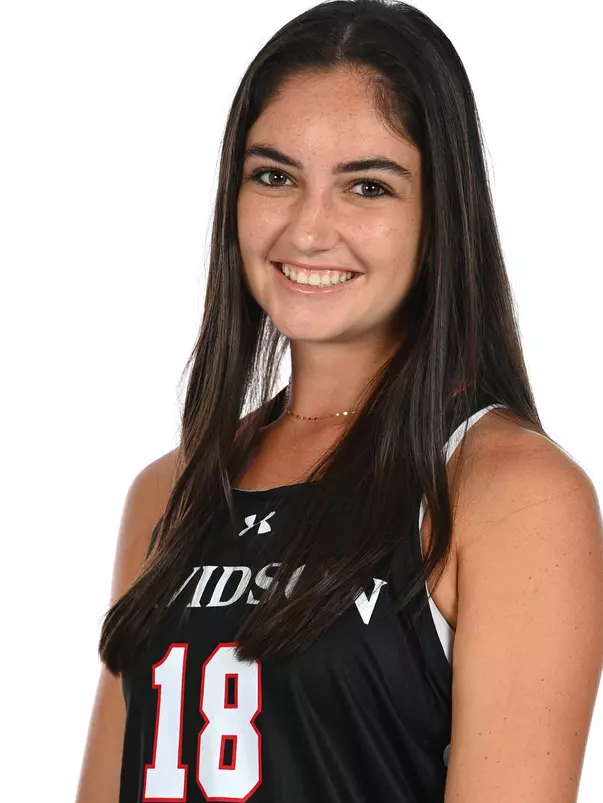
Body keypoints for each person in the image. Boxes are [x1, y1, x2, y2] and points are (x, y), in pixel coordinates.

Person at [75, 1, 603, 801]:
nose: (308, 229)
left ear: (440, 215)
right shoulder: (170, 490)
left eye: (366, 186)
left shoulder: (508, 494)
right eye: (274, 176)